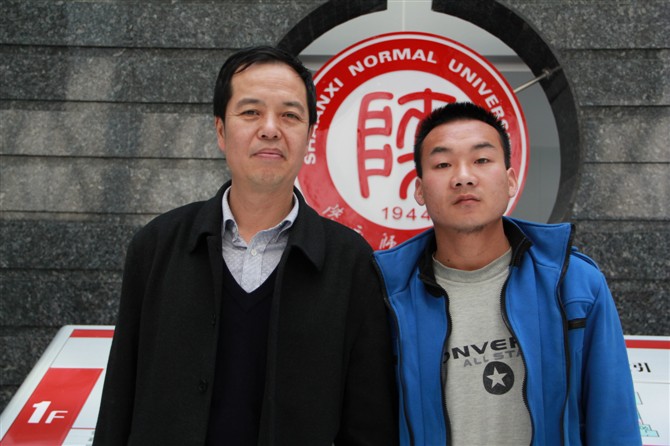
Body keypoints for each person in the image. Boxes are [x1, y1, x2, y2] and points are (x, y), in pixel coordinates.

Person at [93, 46, 398, 446]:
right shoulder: (157, 246)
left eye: (290, 116)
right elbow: (119, 399)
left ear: (309, 136)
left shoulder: (350, 261)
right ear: (221, 130)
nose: (270, 129)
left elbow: (369, 423)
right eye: (251, 112)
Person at [374, 102, 641, 445]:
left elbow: (614, 421)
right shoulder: (387, 294)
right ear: (419, 190)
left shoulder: (574, 284)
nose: (463, 177)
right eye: (442, 164)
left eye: (482, 160)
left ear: (511, 180)